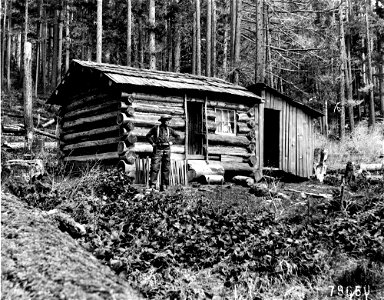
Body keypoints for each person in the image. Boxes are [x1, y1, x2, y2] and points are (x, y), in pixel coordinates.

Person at [146, 115, 180, 191]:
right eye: (167, 120)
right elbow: (148, 136)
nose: (168, 122)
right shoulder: (156, 128)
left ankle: (164, 186)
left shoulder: (170, 130)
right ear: (163, 121)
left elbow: (178, 136)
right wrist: (152, 143)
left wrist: (172, 142)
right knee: (154, 167)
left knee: (166, 168)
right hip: (157, 149)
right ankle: (152, 186)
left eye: (168, 120)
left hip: (167, 150)